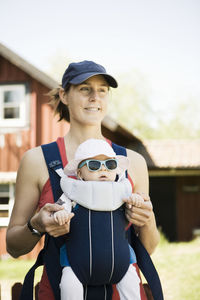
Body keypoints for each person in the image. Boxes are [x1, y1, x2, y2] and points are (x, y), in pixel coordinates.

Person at [6, 60, 160, 300]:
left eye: (102, 90)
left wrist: (147, 221)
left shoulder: (133, 162)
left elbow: (146, 248)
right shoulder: (37, 160)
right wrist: (37, 225)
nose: (95, 97)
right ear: (64, 95)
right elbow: (14, 247)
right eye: (85, 89)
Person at [54, 138, 146, 300]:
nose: (103, 169)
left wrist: (135, 201)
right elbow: (59, 208)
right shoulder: (72, 194)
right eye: (94, 165)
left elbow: (132, 211)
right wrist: (60, 214)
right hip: (77, 262)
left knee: (132, 282)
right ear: (80, 173)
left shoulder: (122, 193)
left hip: (120, 261)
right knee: (68, 285)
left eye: (110, 165)